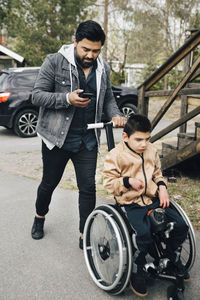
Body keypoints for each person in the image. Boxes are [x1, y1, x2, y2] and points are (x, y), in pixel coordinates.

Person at [31, 20, 126, 249]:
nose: (91, 55)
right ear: (75, 41)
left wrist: (116, 115)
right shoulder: (54, 62)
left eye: (96, 50)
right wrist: (66, 99)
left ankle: (85, 234)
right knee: (49, 183)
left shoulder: (103, 68)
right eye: (86, 49)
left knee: (88, 188)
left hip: (88, 140)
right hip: (56, 139)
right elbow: (37, 96)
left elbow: (109, 99)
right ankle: (39, 217)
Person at [103, 114, 188, 297]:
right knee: (143, 233)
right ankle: (137, 267)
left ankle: (171, 258)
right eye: (139, 139)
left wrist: (163, 186)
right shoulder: (115, 155)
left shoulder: (151, 150)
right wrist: (127, 181)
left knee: (181, 226)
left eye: (147, 139)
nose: (144, 144)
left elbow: (157, 173)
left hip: (153, 198)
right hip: (131, 202)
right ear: (125, 137)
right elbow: (109, 183)